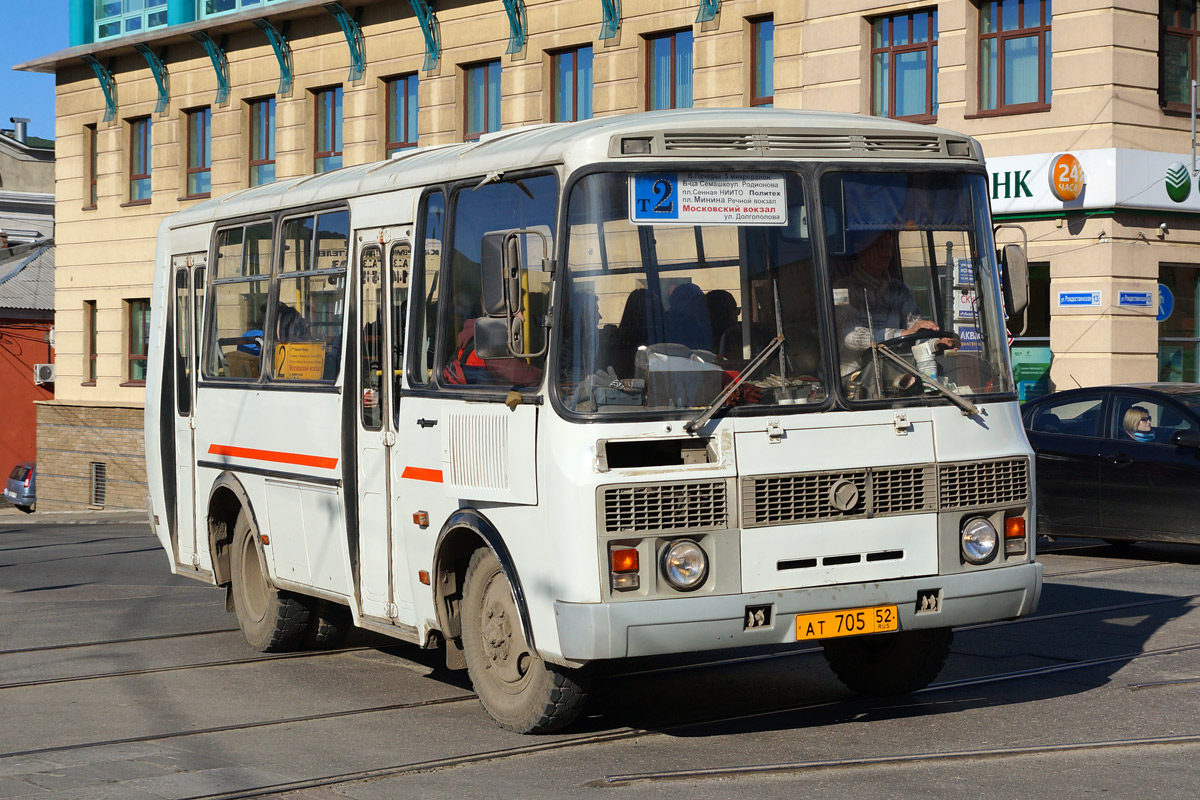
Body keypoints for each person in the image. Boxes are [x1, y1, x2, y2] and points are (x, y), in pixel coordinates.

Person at [833, 229, 953, 380]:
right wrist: (902, 334)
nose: (885, 253)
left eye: (888, 247)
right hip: (851, 383)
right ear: (860, 248)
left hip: (893, 377)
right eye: (879, 247)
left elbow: (915, 329)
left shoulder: (899, 290)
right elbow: (851, 336)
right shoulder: (842, 290)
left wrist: (935, 343)